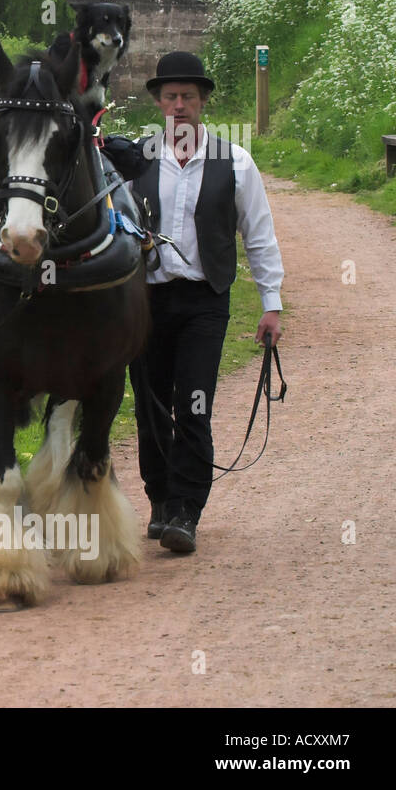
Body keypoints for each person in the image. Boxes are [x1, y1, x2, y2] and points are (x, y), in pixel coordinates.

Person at [101, 51, 285, 555]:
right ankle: (159, 499)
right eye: (169, 97)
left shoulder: (235, 162)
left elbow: (259, 237)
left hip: (205, 301)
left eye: (187, 96)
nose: (178, 105)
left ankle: (186, 510)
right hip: (145, 301)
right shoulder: (136, 160)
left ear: (203, 102)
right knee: (151, 407)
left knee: (195, 405)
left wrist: (271, 305)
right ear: (158, 103)